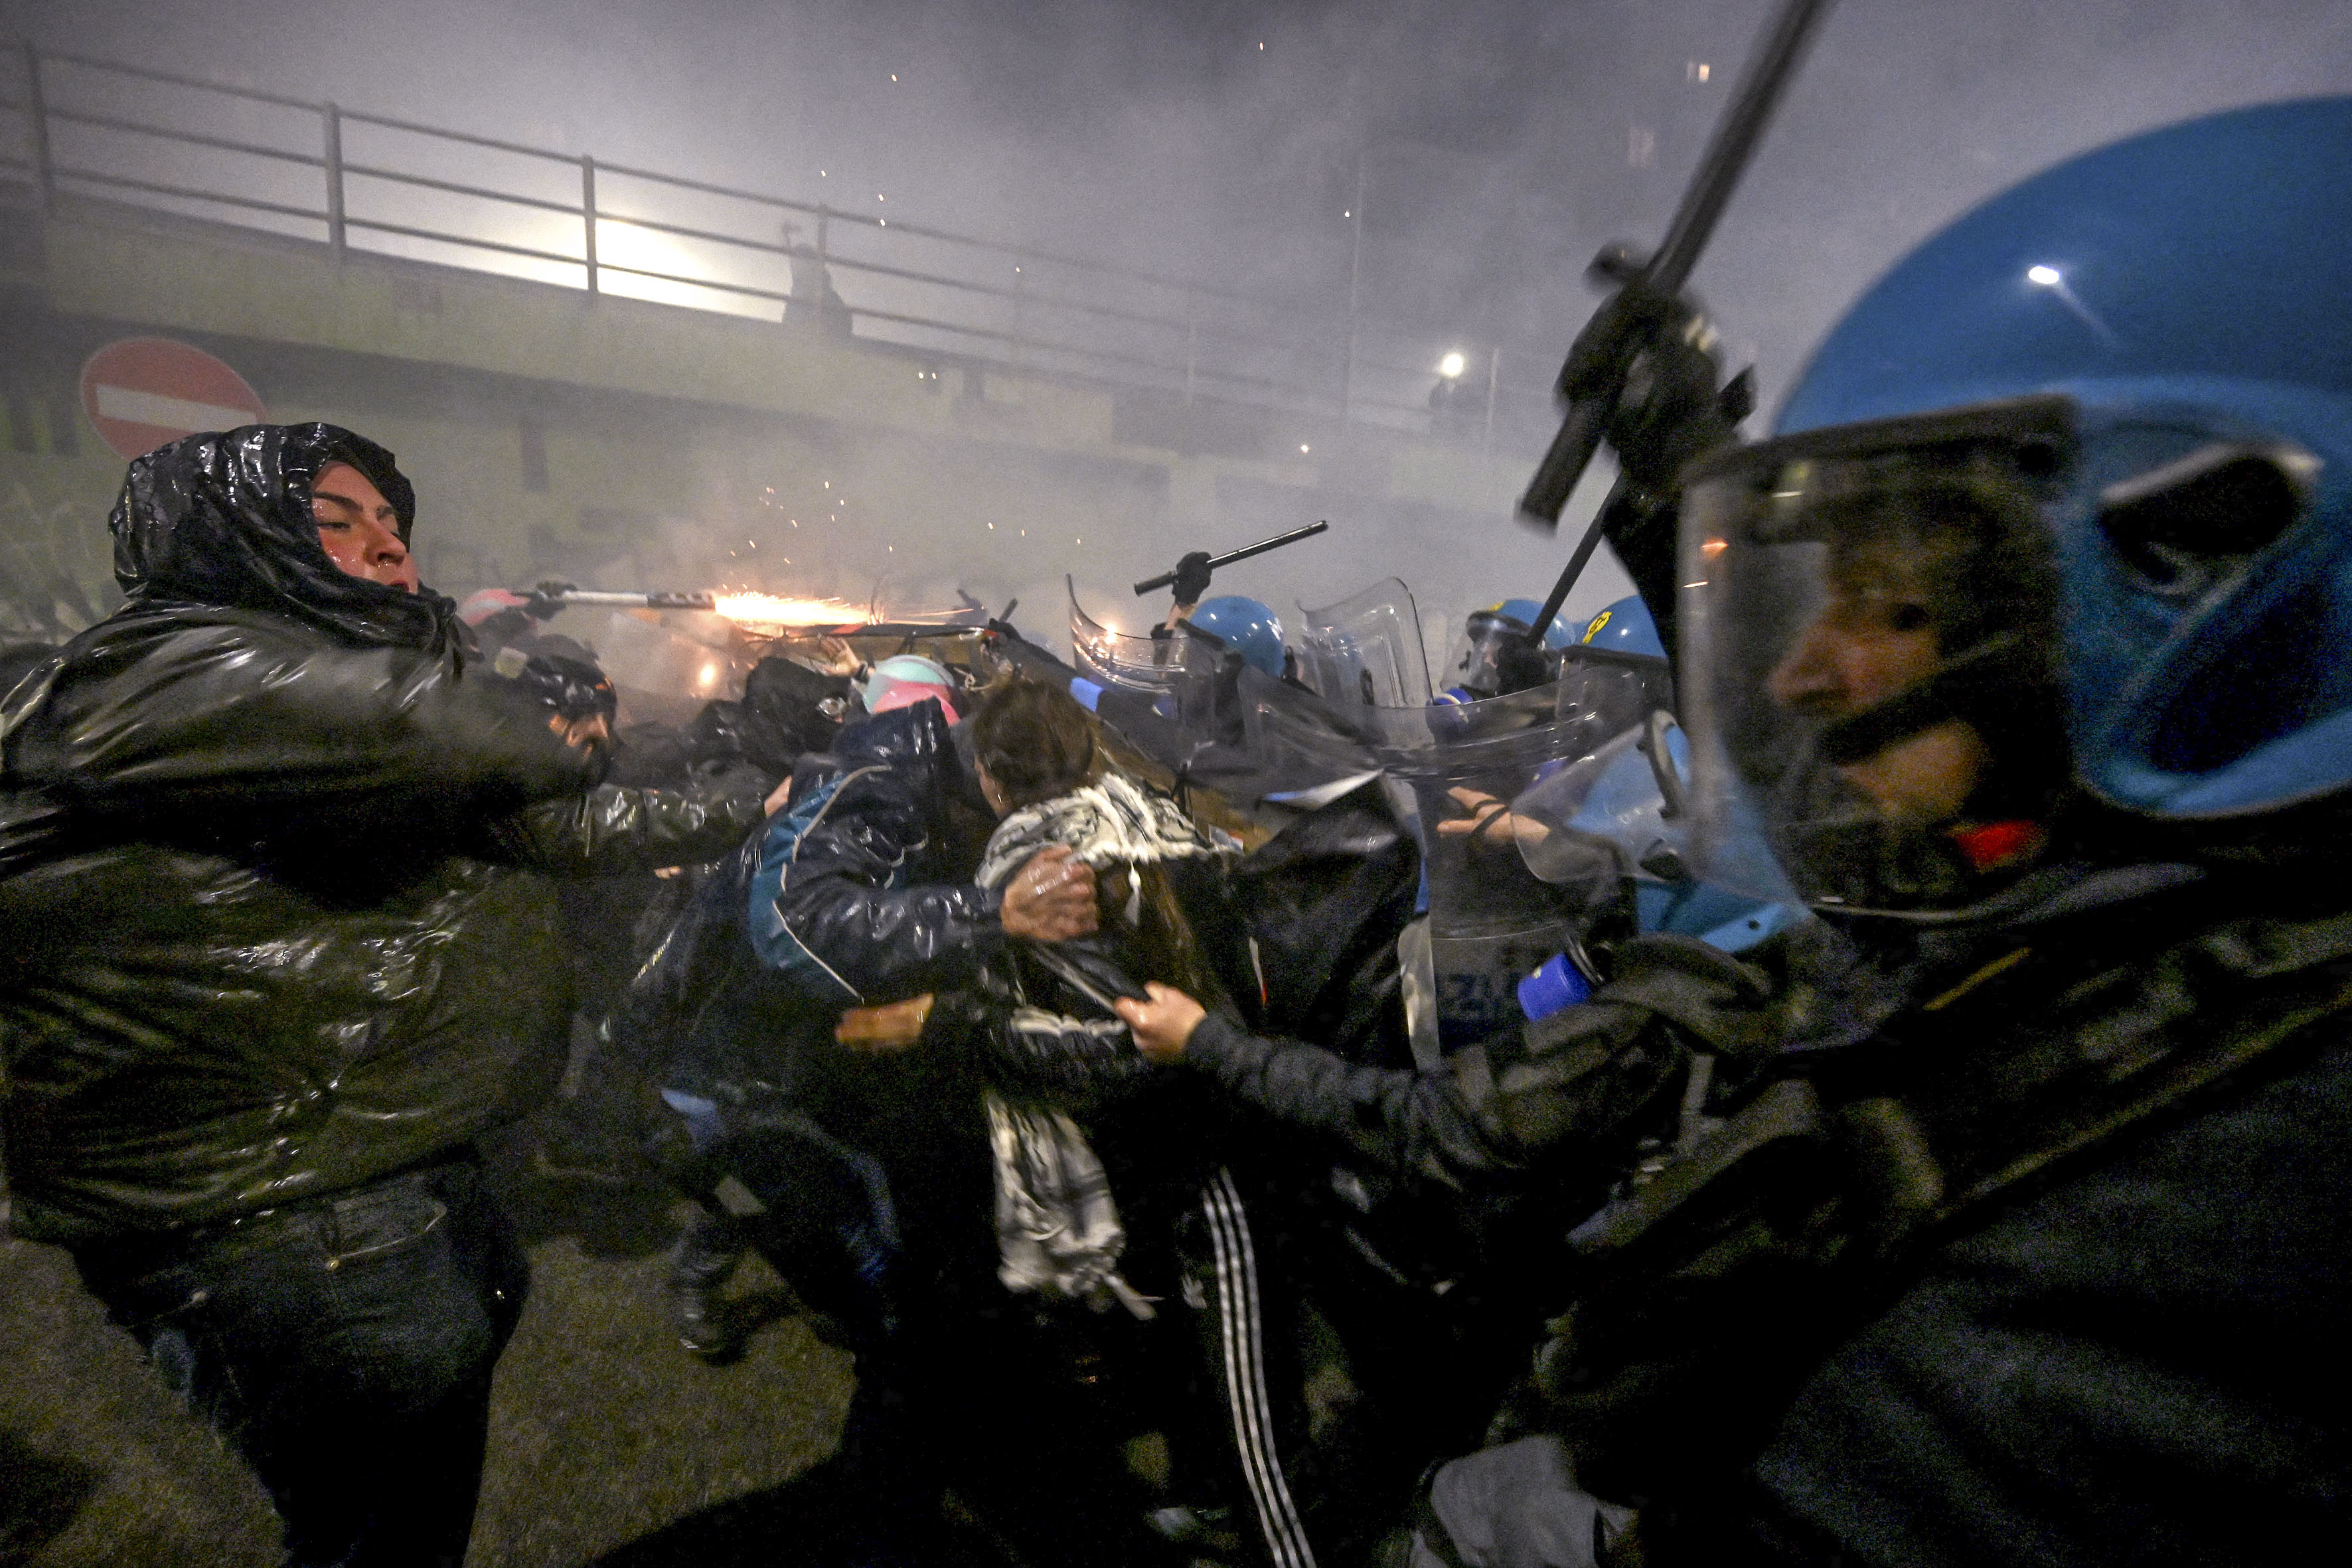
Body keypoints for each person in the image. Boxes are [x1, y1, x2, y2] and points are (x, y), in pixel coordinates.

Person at [1366, 96, 2352, 1567]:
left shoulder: (2193, 1204)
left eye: (1890, 605)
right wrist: (1681, 467)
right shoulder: (2152, 948)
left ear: (2202, 570)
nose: (1792, 675)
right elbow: (1851, 777)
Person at [0, 424, 767, 1568]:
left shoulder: (301, 713)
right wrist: (532, 709)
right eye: (337, 523)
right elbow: (472, 734)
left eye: (393, 523)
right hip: (269, 1209)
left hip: (360, 1167)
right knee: (379, 1538)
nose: (389, 545)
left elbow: (549, 825)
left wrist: (753, 800)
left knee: (394, 1511)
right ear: (231, 545)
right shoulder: (164, 671)